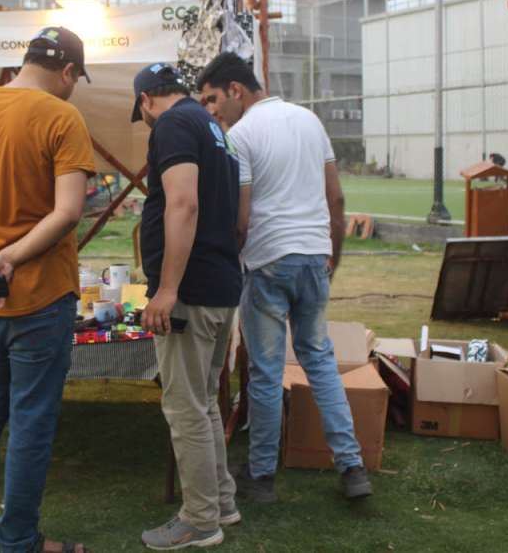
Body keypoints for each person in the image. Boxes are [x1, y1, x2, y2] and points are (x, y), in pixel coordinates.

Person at [196, 52, 373, 503]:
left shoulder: (240, 136)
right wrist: (332, 256)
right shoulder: (309, 121)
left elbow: (241, 218)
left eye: (213, 99)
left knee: (266, 373)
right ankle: (352, 466)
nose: (212, 111)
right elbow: (336, 199)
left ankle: (261, 476)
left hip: (268, 261)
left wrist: (231, 259)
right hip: (313, 256)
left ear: (235, 90)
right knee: (320, 361)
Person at [0, 26, 95, 553]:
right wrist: (13, 256)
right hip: (39, 294)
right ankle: (18, 539)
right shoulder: (62, 117)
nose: (73, 88)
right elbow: (68, 211)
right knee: (30, 422)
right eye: (76, 79)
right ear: (67, 71)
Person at [131, 63, 243, 550]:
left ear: (146, 99)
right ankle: (221, 502)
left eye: (142, 112)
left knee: (184, 408)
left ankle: (199, 519)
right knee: (204, 402)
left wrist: (167, 289)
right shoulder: (213, 127)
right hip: (220, 283)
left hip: (192, 291)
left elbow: (183, 204)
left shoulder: (173, 124)